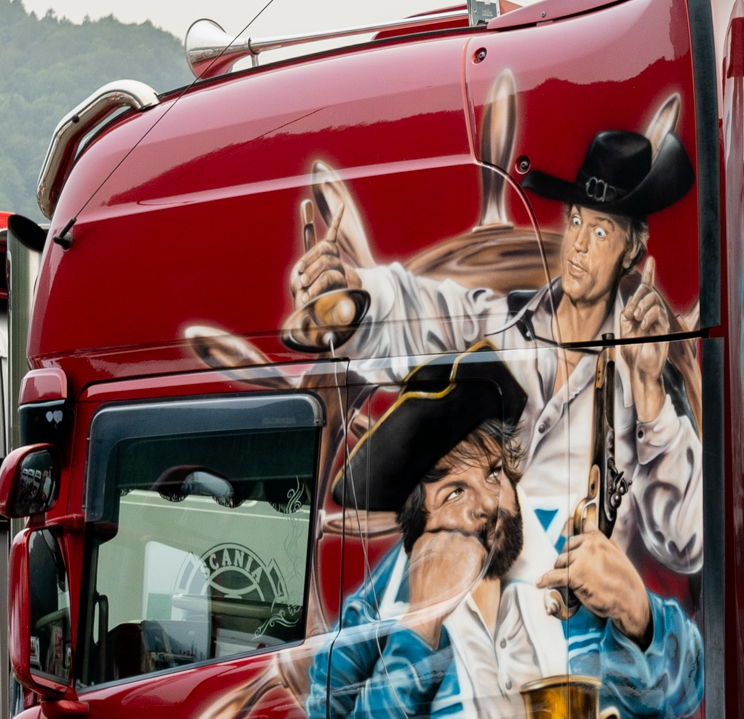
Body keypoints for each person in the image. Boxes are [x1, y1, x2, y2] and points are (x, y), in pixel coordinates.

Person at [298, 353, 704, 719]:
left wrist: (640, 616)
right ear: (417, 526)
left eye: (493, 474)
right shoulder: (370, 621)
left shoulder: (567, 573)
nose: (489, 504)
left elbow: (676, 699)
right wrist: (417, 630)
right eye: (454, 492)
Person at [287, 121, 706, 575]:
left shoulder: (641, 371)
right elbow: (420, 309)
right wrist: (350, 298)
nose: (579, 245)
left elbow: (687, 544)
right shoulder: (503, 325)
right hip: (468, 618)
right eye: (576, 220)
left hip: (574, 631)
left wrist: (649, 398)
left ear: (631, 253)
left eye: (601, 231)